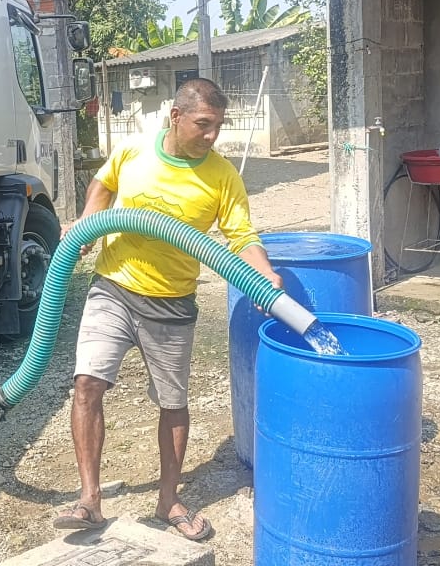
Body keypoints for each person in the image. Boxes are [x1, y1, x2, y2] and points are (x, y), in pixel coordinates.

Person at [52, 78, 283, 541]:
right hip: (114, 286)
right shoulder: (135, 150)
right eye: (203, 124)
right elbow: (104, 182)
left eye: (218, 126)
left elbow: (241, 236)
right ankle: (89, 500)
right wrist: (88, 224)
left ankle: (168, 500)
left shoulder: (222, 176)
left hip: (172, 301)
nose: (212, 135)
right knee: (87, 384)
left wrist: (265, 274)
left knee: (173, 404)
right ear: (175, 117)